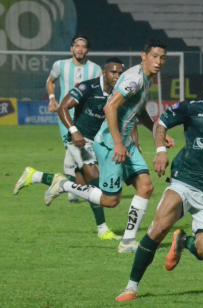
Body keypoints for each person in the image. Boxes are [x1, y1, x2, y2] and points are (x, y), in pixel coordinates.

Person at [115, 62, 203, 302]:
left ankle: (181, 241)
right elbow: (161, 124)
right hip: (185, 182)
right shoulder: (193, 107)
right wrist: (160, 150)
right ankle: (131, 287)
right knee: (158, 228)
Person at [44, 39, 174, 253]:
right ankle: (64, 185)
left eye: (162, 58)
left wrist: (157, 132)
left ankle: (127, 242)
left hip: (125, 142)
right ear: (144, 56)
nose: (158, 62)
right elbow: (109, 108)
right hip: (111, 143)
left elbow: (139, 109)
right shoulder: (133, 79)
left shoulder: (147, 78)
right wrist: (117, 143)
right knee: (111, 200)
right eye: (154, 57)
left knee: (146, 187)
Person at [13, 58, 125, 240]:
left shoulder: (119, 93)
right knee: (95, 183)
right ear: (104, 73)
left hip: (98, 143)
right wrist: (74, 131)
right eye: (113, 72)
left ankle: (36, 176)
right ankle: (102, 230)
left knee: (83, 186)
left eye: (120, 73)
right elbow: (63, 107)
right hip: (79, 141)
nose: (117, 76)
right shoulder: (87, 88)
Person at [46, 34, 102, 203]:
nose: (79, 49)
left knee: (78, 150)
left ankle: (73, 188)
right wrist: (52, 99)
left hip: (87, 116)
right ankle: (74, 191)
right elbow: (50, 81)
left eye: (83, 47)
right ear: (71, 48)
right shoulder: (60, 65)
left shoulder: (95, 69)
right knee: (70, 149)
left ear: (87, 50)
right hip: (66, 114)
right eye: (76, 46)